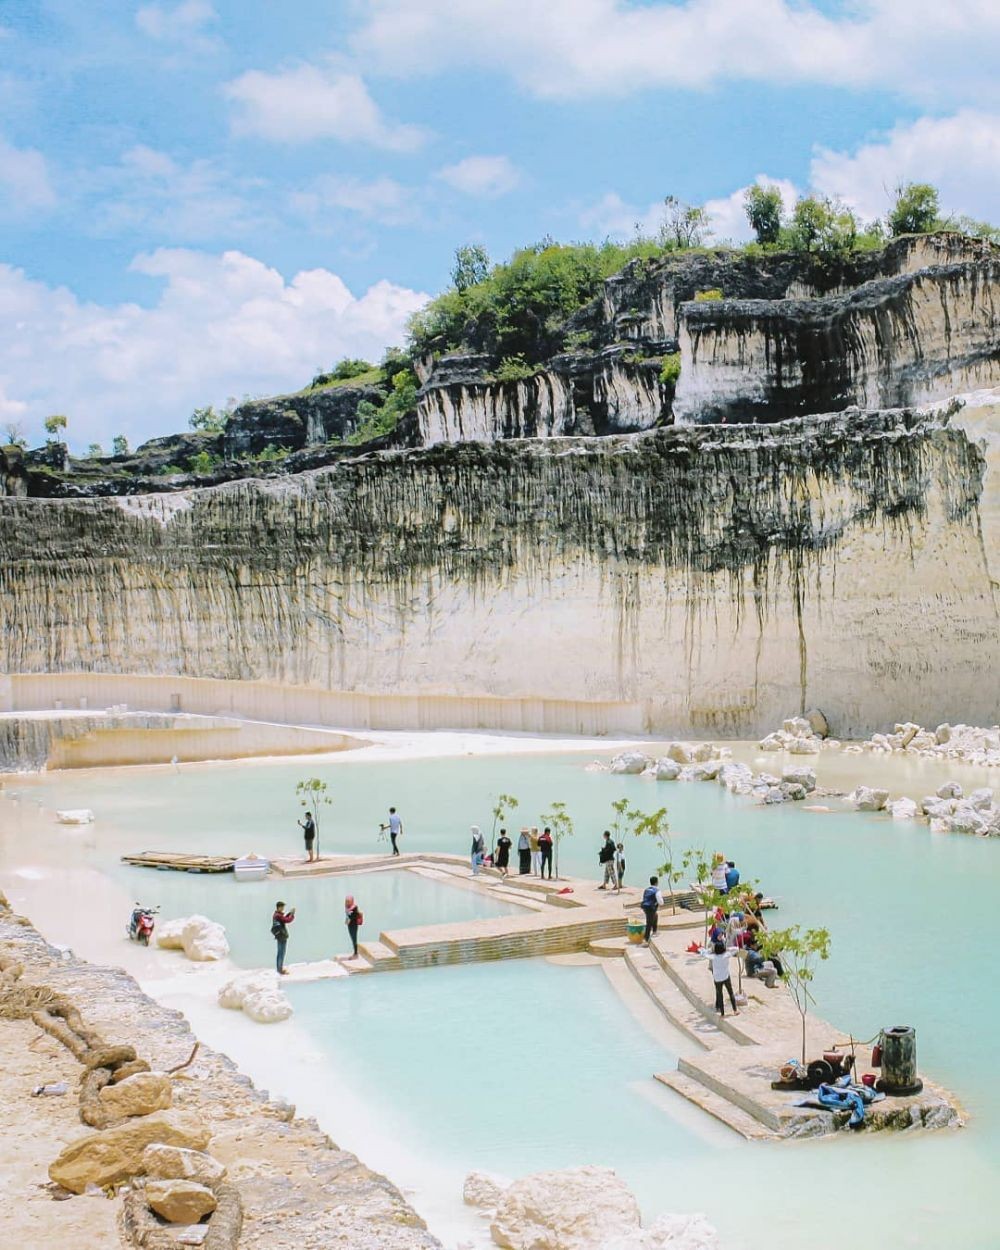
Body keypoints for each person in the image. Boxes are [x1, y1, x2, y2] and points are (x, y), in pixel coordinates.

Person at [705, 940, 739, 1016]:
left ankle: (722, 1014)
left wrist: (711, 950)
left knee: (720, 995)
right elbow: (736, 949)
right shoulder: (726, 955)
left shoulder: (713, 957)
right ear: (723, 948)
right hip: (726, 976)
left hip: (717, 979)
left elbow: (703, 953)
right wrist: (727, 949)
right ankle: (735, 1010)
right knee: (730, 993)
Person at [271, 901, 295, 975]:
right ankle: (280, 969)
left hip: (280, 936)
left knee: (280, 952)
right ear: (279, 907)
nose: (283, 908)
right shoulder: (277, 915)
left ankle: (279, 968)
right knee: (281, 952)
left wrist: (290, 914)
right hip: (281, 936)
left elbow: (284, 919)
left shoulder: (276, 915)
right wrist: (292, 915)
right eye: (282, 907)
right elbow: (287, 920)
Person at [641, 876, 663, 944]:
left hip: (644, 906)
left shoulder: (646, 890)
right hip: (651, 907)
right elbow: (660, 902)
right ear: (657, 882)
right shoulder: (657, 891)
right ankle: (645, 940)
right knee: (649, 923)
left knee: (655, 915)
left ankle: (654, 931)